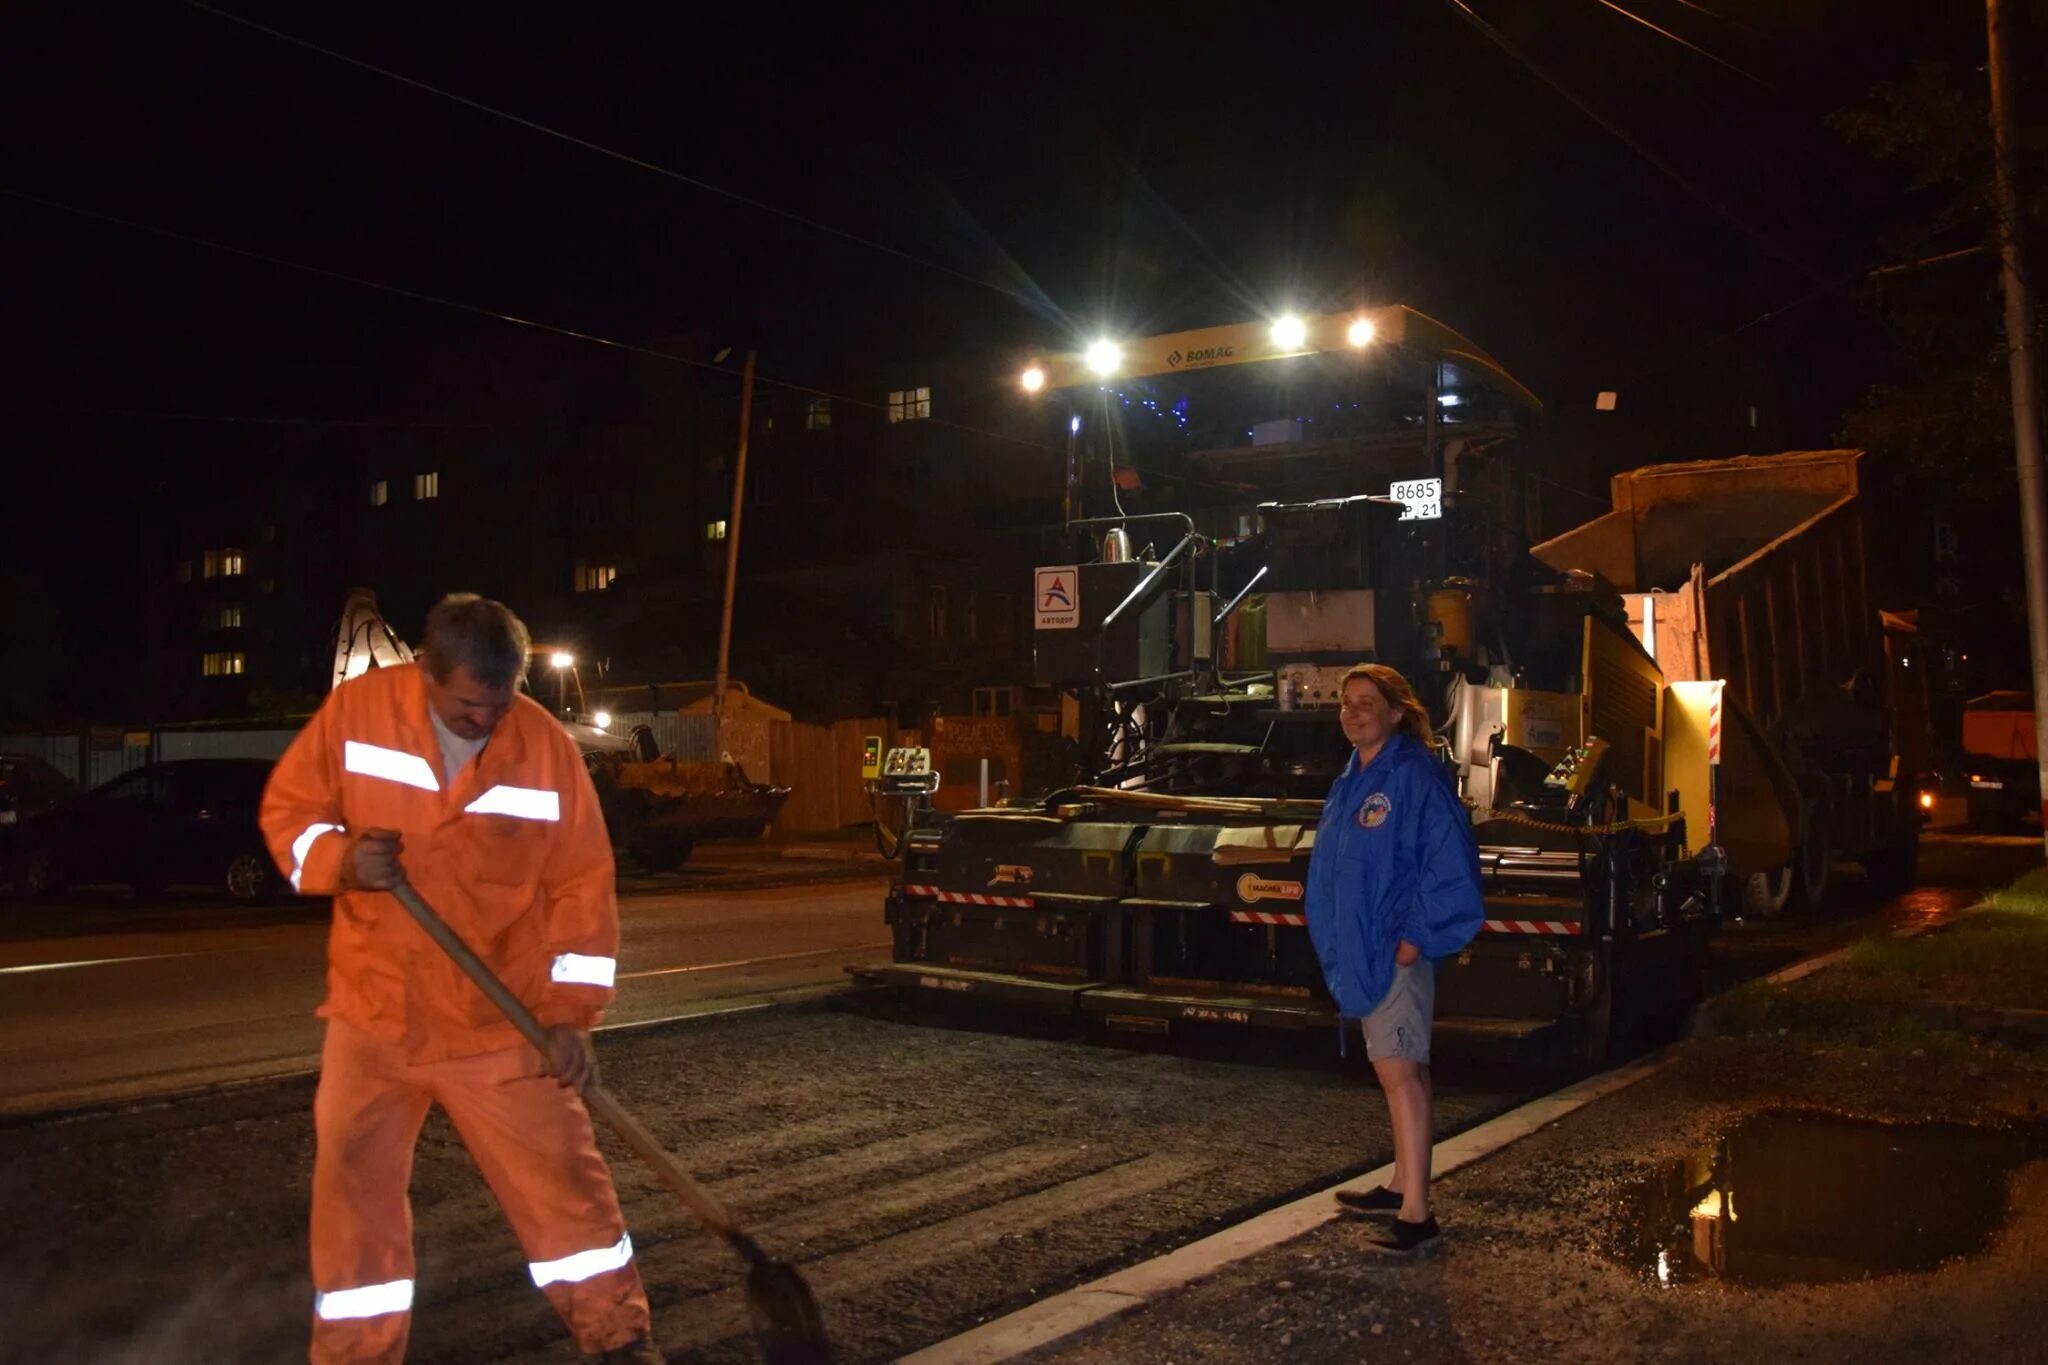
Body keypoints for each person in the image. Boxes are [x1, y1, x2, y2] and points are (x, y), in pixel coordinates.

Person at [261, 594, 662, 1364]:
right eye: (469, 706)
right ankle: (355, 1356)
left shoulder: (544, 748)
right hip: (374, 1015)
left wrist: (572, 1014)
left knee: (561, 1186)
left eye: (501, 703)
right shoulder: (357, 714)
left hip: (498, 1019)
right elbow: (291, 816)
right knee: (353, 1202)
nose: (486, 721)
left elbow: (582, 885)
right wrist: (343, 861)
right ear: (426, 671)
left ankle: (619, 1338)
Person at [1304, 663, 1483, 1254]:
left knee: (1399, 1071)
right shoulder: (1354, 776)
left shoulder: (1411, 777)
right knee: (1400, 1068)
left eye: (1366, 703)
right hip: (1364, 943)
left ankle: (1417, 1215)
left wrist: (1416, 936)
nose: (1352, 713)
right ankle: (1402, 1181)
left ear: (1396, 713)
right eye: (1345, 703)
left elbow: (1447, 858)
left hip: (1391, 947)